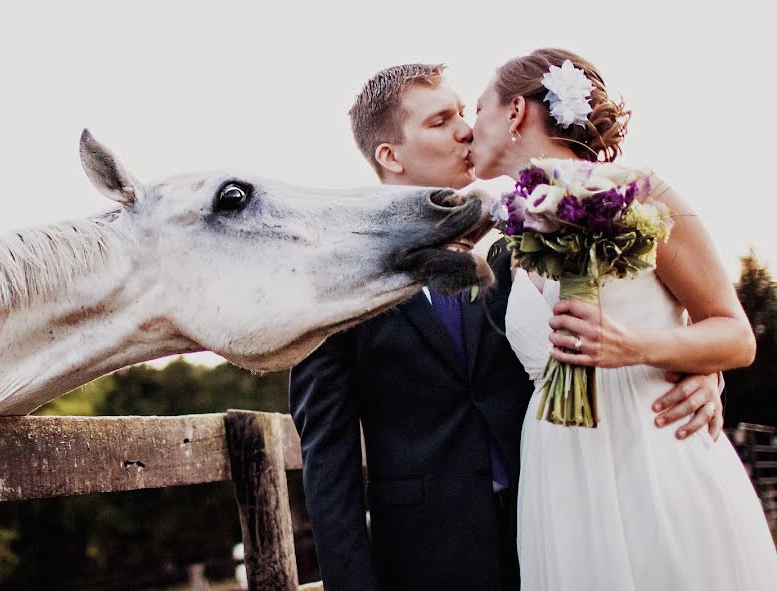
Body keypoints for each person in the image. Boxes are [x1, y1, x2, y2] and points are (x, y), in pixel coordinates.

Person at [290, 63, 725, 591]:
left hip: (554, 524)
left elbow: (629, 315)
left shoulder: (527, 235)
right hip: (427, 555)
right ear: (390, 156)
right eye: (440, 121)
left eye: (463, 114)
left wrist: (700, 369)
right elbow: (327, 456)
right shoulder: (335, 281)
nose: (466, 130)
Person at [467, 47, 777, 589]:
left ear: (516, 111)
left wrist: (638, 347)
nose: (470, 131)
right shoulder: (511, 239)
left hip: (653, 446)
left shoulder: (643, 194)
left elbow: (734, 333)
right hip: (559, 467)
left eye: (478, 110)